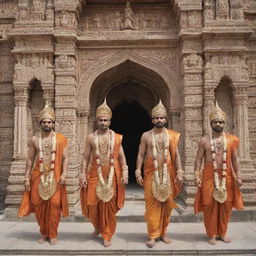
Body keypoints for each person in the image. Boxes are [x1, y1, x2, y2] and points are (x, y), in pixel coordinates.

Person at [79, 99, 128, 247]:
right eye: (100, 120)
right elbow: (86, 157)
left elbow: (122, 157)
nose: (102, 122)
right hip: (95, 174)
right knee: (92, 205)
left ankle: (107, 233)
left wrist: (125, 173)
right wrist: (82, 174)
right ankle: (97, 227)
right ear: (96, 121)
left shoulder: (117, 137)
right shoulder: (91, 138)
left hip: (113, 175)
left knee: (109, 207)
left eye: (105, 120)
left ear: (110, 121)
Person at [18, 103, 69, 245]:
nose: (47, 124)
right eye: (44, 122)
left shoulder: (60, 139)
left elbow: (65, 158)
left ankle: (53, 234)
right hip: (37, 177)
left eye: (49, 122)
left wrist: (64, 174)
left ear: (53, 123)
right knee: (38, 206)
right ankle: (44, 233)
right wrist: (26, 177)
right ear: (40, 123)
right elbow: (30, 159)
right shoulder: (35, 139)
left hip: (56, 177)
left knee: (54, 206)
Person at [135, 100, 183, 248]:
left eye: (161, 118)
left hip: (168, 172)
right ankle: (153, 234)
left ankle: (163, 233)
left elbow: (176, 155)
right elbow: (141, 155)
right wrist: (137, 172)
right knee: (151, 205)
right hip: (151, 172)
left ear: (166, 119)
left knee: (166, 205)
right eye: (156, 118)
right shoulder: (146, 136)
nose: (159, 120)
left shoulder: (172, 136)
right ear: (152, 119)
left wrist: (179, 171)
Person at [194, 102, 243, 245]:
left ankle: (222, 233)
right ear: (211, 123)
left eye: (221, 122)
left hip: (227, 175)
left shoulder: (231, 140)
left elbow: (235, 158)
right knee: (209, 205)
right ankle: (212, 234)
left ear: (224, 123)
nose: (219, 124)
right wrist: (196, 176)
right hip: (209, 175)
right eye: (216, 122)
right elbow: (198, 159)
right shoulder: (204, 140)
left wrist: (238, 175)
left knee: (226, 205)